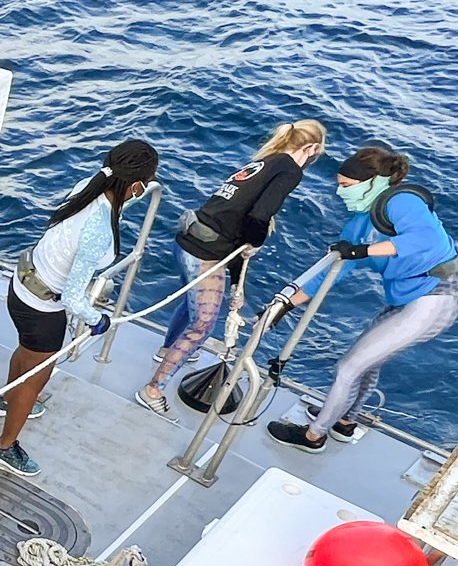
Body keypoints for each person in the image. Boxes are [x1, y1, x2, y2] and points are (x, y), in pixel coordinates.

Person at [267, 145, 458, 452]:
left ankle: (314, 436)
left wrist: (363, 251)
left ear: (374, 181)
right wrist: (283, 306)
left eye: (346, 186)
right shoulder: (360, 223)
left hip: (435, 298)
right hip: (403, 300)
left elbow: (424, 239)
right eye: (338, 185)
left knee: (348, 368)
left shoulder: (402, 200)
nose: (340, 193)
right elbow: (333, 273)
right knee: (366, 364)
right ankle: (344, 420)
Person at [0, 140, 159, 477]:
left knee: (25, 352)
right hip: (43, 311)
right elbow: (72, 298)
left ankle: (5, 400)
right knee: (34, 379)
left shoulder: (87, 187)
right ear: (137, 186)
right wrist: (98, 320)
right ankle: (5, 446)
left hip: (21, 285)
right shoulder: (98, 230)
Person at [137, 121, 326, 416]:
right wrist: (258, 241)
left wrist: (238, 284)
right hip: (206, 253)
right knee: (202, 326)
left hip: (188, 239)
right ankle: (152, 390)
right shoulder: (290, 169)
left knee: (192, 306)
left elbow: (236, 224)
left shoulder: (264, 162)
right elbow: (258, 217)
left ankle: (166, 350)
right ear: (310, 149)